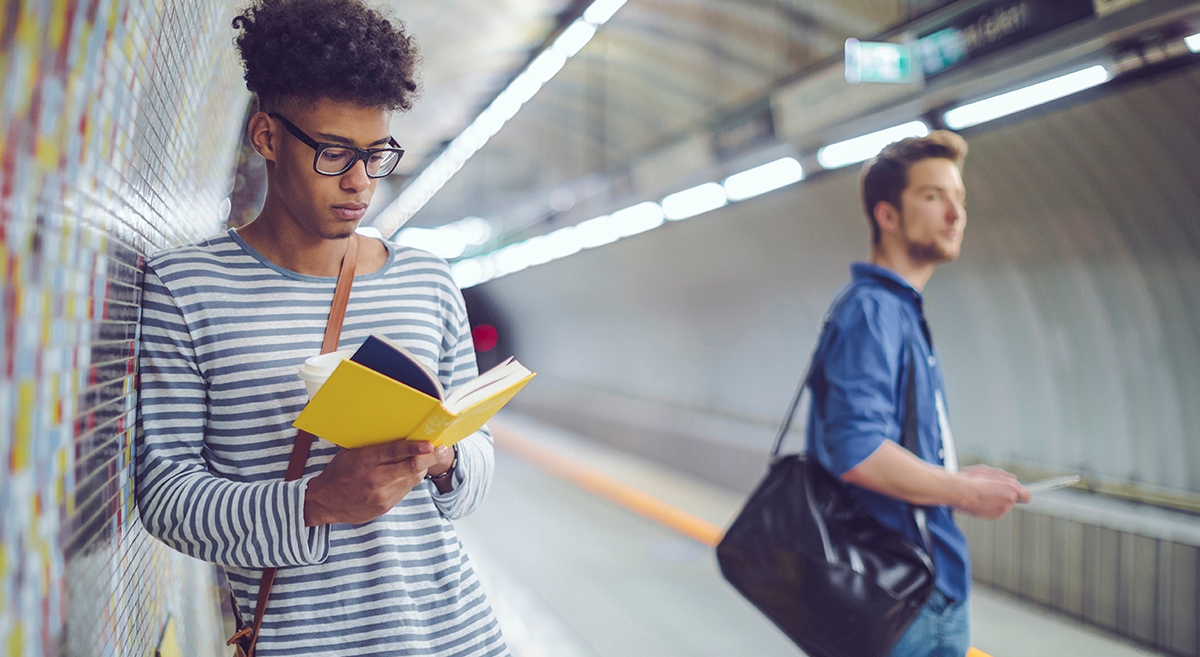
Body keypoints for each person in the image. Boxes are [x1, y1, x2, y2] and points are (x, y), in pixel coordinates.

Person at [134, 1, 508, 655]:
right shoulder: (183, 290)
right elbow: (167, 495)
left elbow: (479, 453)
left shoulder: (426, 278)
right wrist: (316, 500)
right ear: (268, 137)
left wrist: (447, 459)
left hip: (461, 635)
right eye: (334, 153)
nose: (360, 183)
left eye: (376, 153)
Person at [806, 131, 1030, 657]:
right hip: (897, 593)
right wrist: (965, 493)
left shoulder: (899, 311)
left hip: (925, 588)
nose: (955, 214)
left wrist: (954, 481)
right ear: (887, 215)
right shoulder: (874, 311)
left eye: (960, 199)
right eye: (933, 197)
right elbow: (859, 450)